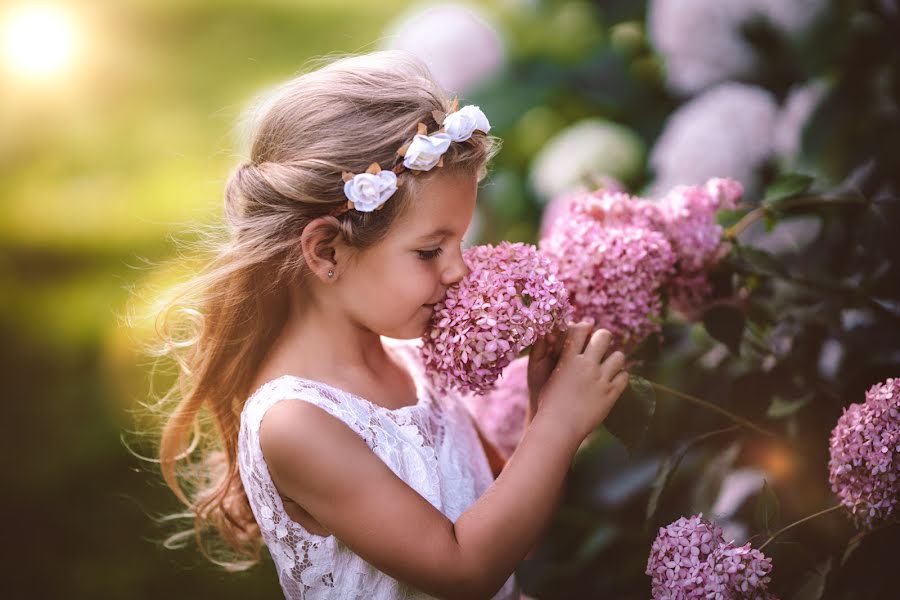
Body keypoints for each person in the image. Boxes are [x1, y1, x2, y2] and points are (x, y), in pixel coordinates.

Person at [153, 50, 628, 600]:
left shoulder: (411, 361)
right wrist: (559, 427)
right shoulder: (297, 424)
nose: (458, 268)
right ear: (326, 250)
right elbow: (464, 571)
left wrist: (543, 411)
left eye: (459, 241)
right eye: (429, 251)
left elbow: (507, 536)